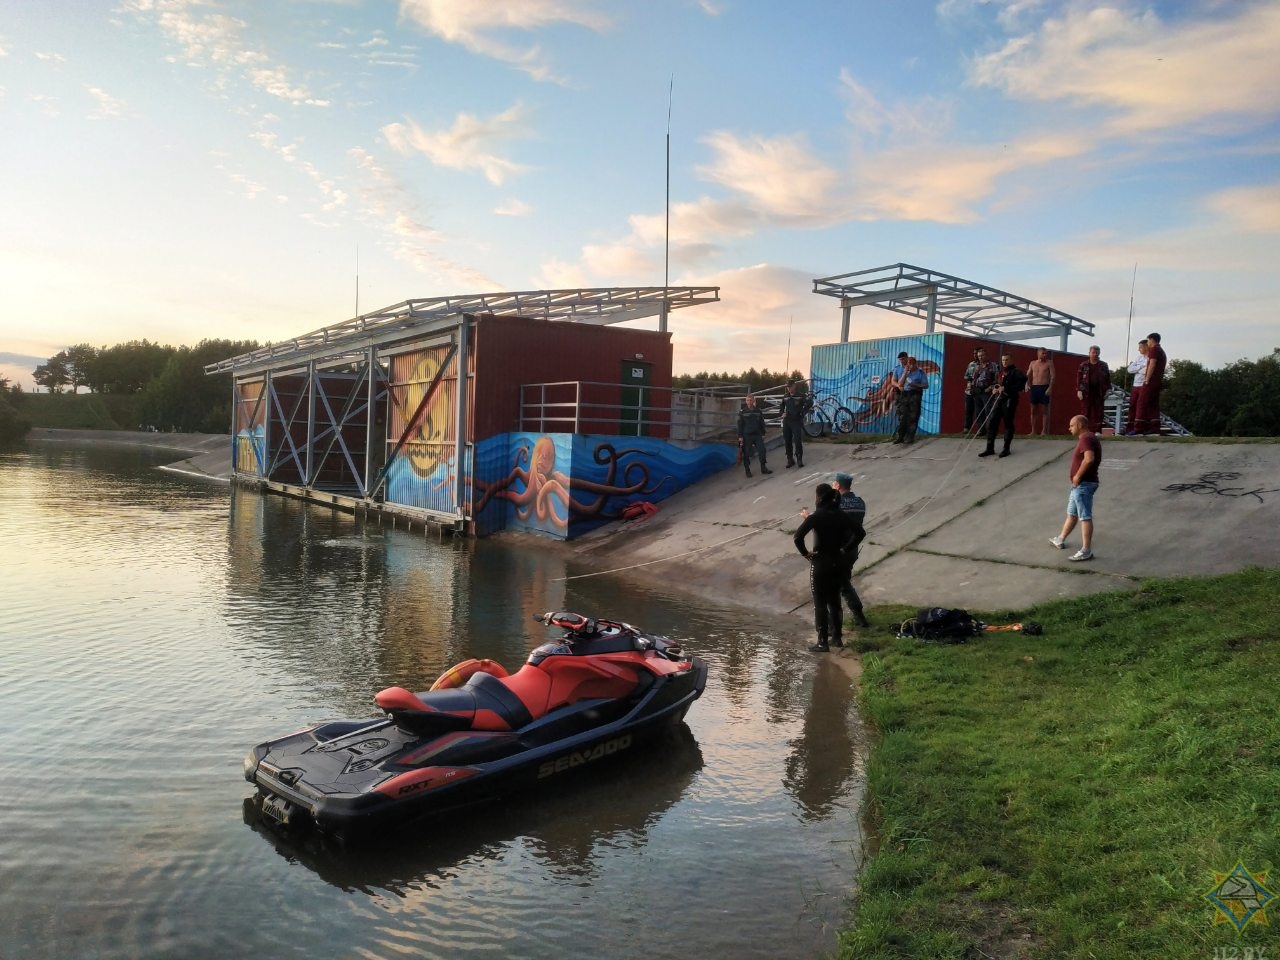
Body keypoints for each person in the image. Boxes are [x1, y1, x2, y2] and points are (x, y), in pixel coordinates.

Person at [794, 483, 859, 652]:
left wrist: (806, 554)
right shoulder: (840, 515)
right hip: (838, 561)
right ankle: (837, 638)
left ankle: (822, 641)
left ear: (819, 498)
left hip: (820, 563)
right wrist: (846, 548)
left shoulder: (816, 517)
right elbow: (860, 533)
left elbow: (797, 537)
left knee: (820, 603)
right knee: (835, 601)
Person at [1049, 414, 1101, 561]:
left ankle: (1086, 550)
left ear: (1079, 425)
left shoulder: (1086, 438)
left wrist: (1078, 476)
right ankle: (1060, 538)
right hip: (1079, 485)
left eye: (1071, 425)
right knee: (1072, 513)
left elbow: (1089, 458)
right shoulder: (1089, 438)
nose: (1069, 428)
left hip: (1084, 484)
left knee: (1084, 516)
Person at [833, 472, 871, 628]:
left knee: (840, 585)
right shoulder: (860, 502)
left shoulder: (836, 504)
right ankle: (855, 616)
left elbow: (824, 521)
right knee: (843, 581)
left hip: (838, 550)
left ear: (838, 485)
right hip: (852, 549)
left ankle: (856, 615)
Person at [979, 351, 1027, 458]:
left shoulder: (1017, 372)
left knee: (1008, 423)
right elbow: (997, 383)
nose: (1004, 362)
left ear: (1011, 360)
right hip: (998, 400)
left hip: (1009, 400)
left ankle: (1006, 448)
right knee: (992, 422)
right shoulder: (1000, 372)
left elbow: (1021, 386)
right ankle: (990, 448)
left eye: (1006, 360)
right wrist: (994, 388)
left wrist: (1006, 388)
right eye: (1003, 360)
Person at [1134, 331, 1167, 435]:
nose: (1147, 343)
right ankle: (1154, 428)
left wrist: (1147, 379)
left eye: (1148, 340)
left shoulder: (1154, 350)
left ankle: (1139, 428)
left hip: (1151, 381)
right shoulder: (1161, 350)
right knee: (1153, 404)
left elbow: (1152, 364)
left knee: (1141, 403)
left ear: (1152, 340)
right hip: (1157, 381)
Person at [891, 356, 929, 444]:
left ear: (915, 364)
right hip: (905, 394)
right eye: (908, 364)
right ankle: (900, 436)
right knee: (903, 415)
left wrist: (916, 384)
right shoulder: (905, 372)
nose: (910, 366)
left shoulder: (920, 373)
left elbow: (926, 385)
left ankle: (909, 437)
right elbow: (899, 383)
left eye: (912, 364)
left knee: (913, 416)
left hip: (915, 394)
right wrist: (905, 372)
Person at [1076, 345, 1111, 433]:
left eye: (1097, 353)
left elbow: (1108, 378)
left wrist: (1108, 390)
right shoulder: (1083, 365)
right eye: (1093, 352)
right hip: (1086, 391)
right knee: (1085, 411)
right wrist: (1079, 390)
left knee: (1099, 412)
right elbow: (1079, 378)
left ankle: (1097, 431)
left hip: (1099, 391)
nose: (1095, 354)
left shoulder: (1103, 365)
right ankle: (1084, 431)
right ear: (1089, 353)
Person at [778, 378, 812, 469]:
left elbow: (810, 403)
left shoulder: (800, 395)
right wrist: (782, 413)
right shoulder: (785, 396)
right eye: (787, 387)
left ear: (794, 386)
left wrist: (803, 412)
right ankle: (790, 459)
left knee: (797, 440)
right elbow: (781, 406)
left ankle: (799, 458)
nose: (789, 388)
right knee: (787, 441)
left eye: (790, 386)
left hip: (796, 420)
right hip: (787, 421)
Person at [737, 394, 772, 478]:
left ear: (753, 401)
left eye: (751, 400)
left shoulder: (758, 411)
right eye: (748, 400)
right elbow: (740, 425)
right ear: (746, 401)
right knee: (746, 454)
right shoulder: (742, 412)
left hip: (757, 435)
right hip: (747, 435)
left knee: (762, 451)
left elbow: (761, 423)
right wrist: (740, 436)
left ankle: (763, 468)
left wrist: (763, 433)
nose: (749, 402)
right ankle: (747, 470)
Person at [969, 347, 1001, 435]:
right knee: (979, 412)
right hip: (977, 392)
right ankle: (981, 430)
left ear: (986, 355)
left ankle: (990, 430)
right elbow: (973, 379)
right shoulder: (976, 366)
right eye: (979, 356)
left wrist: (991, 387)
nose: (980, 357)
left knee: (988, 411)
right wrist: (973, 388)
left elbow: (997, 379)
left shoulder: (993, 365)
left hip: (987, 391)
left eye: (982, 355)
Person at [1026, 346, 1054, 436]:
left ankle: (1044, 431)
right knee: (1033, 410)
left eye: (1046, 353)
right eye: (1043, 353)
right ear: (1038, 353)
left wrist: (1050, 388)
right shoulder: (1032, 363)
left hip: (1044, 387)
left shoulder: (1049, 363)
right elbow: (1027, 375)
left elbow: (1053, 376)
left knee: (1045, 410)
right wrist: (1026, 384)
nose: (1045, 355)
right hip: (1035, 387)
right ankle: (1033, 431)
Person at [1123, 339, 1148, 435]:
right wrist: (1140, 367)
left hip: (1143, 385)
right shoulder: (1139, 358)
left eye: (1140, 347)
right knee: (1132, 406)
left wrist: (1138, 369)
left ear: (1146, 346)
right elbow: (1130, 369)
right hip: (1135, 385)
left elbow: (1145, 371)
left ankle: (1139, 428)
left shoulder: (1150, 358)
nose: (1139, 349)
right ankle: (1129, 428)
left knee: (1140, 407)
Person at [962, 348, 982, 432]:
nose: (974, 355)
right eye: (973, 353)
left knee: (979, 410)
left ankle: (980, 429)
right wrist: (969, 378)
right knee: (968, 410)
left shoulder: (983, 365)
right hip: (969, 390)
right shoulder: (971, 364)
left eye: (976, 353)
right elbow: (965, 375)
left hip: (978, 391)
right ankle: (967, 428)